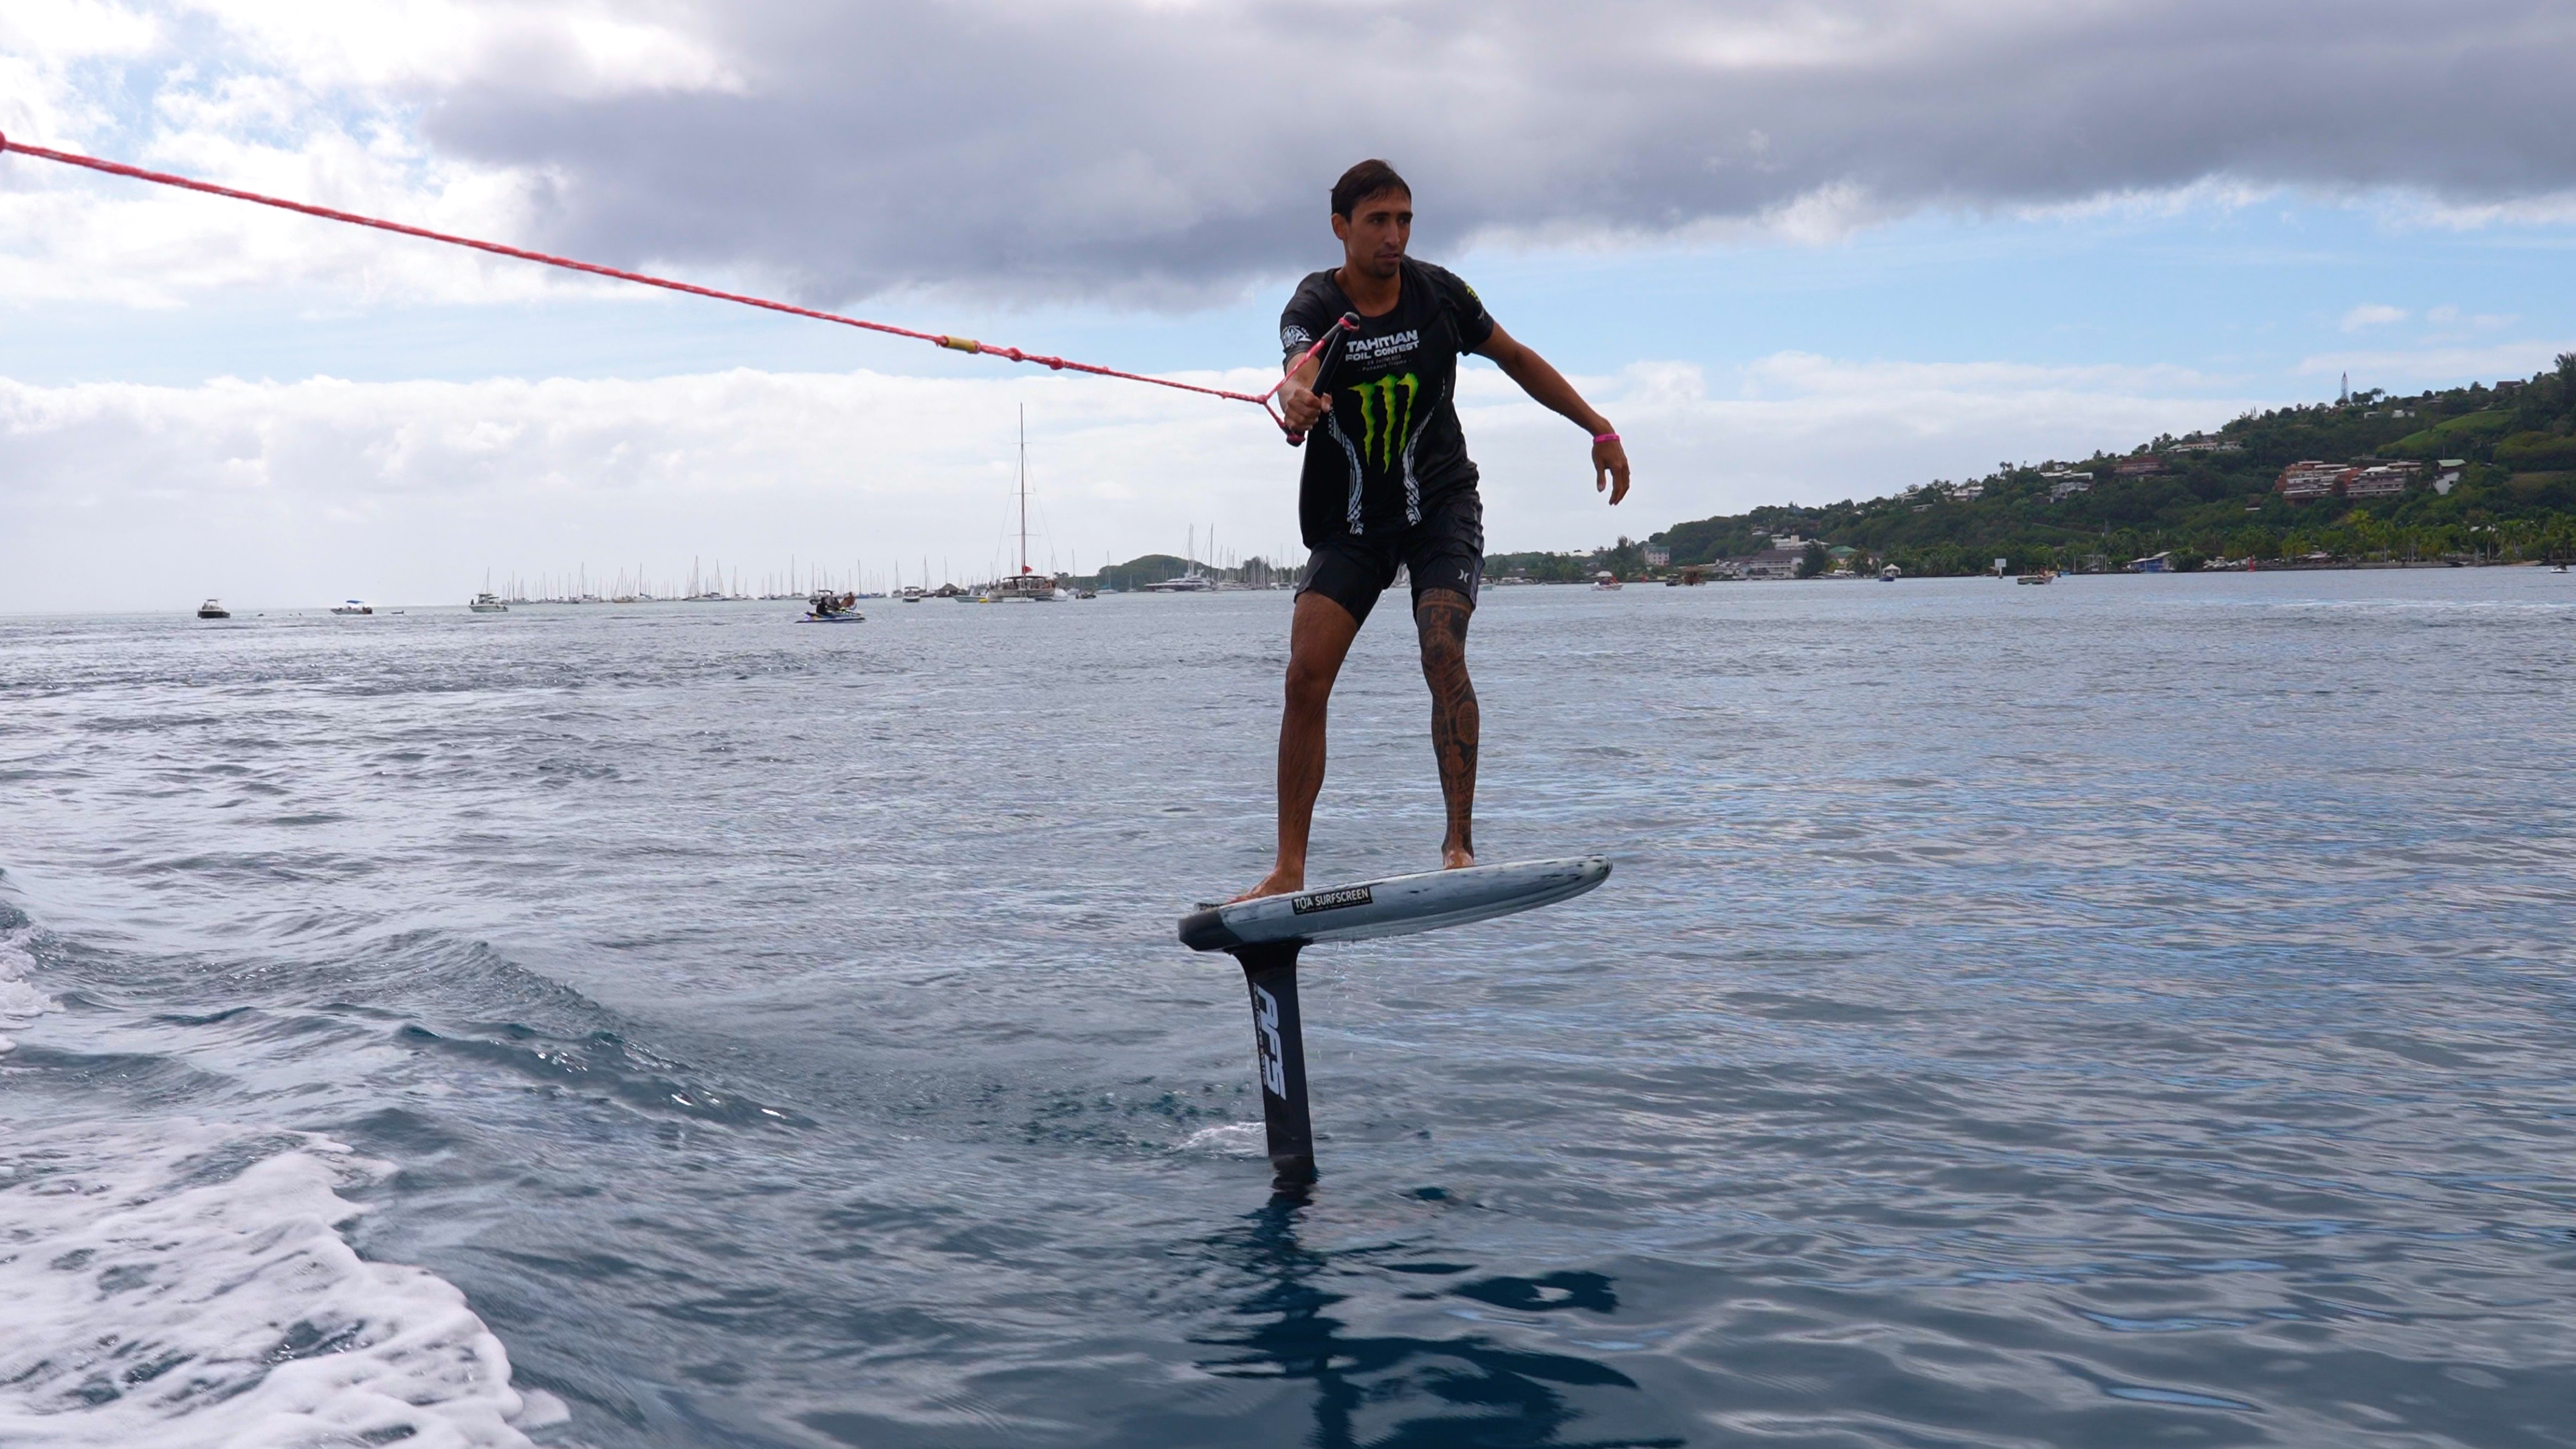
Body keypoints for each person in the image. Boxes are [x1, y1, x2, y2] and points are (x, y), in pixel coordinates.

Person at [1232, 159, 1630, 902]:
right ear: (1341, 228)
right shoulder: (1317, 302)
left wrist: (1598, 425)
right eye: (1378, 221)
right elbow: (1299, 367)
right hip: (1353, 522)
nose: (1394, 235)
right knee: (1303, 677)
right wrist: (1296, 398)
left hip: (1441, 506)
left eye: (1405, 219)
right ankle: (1289, 867)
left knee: (1441, 646)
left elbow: (1512, 356)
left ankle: (1458, 847)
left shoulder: (1440, 294)